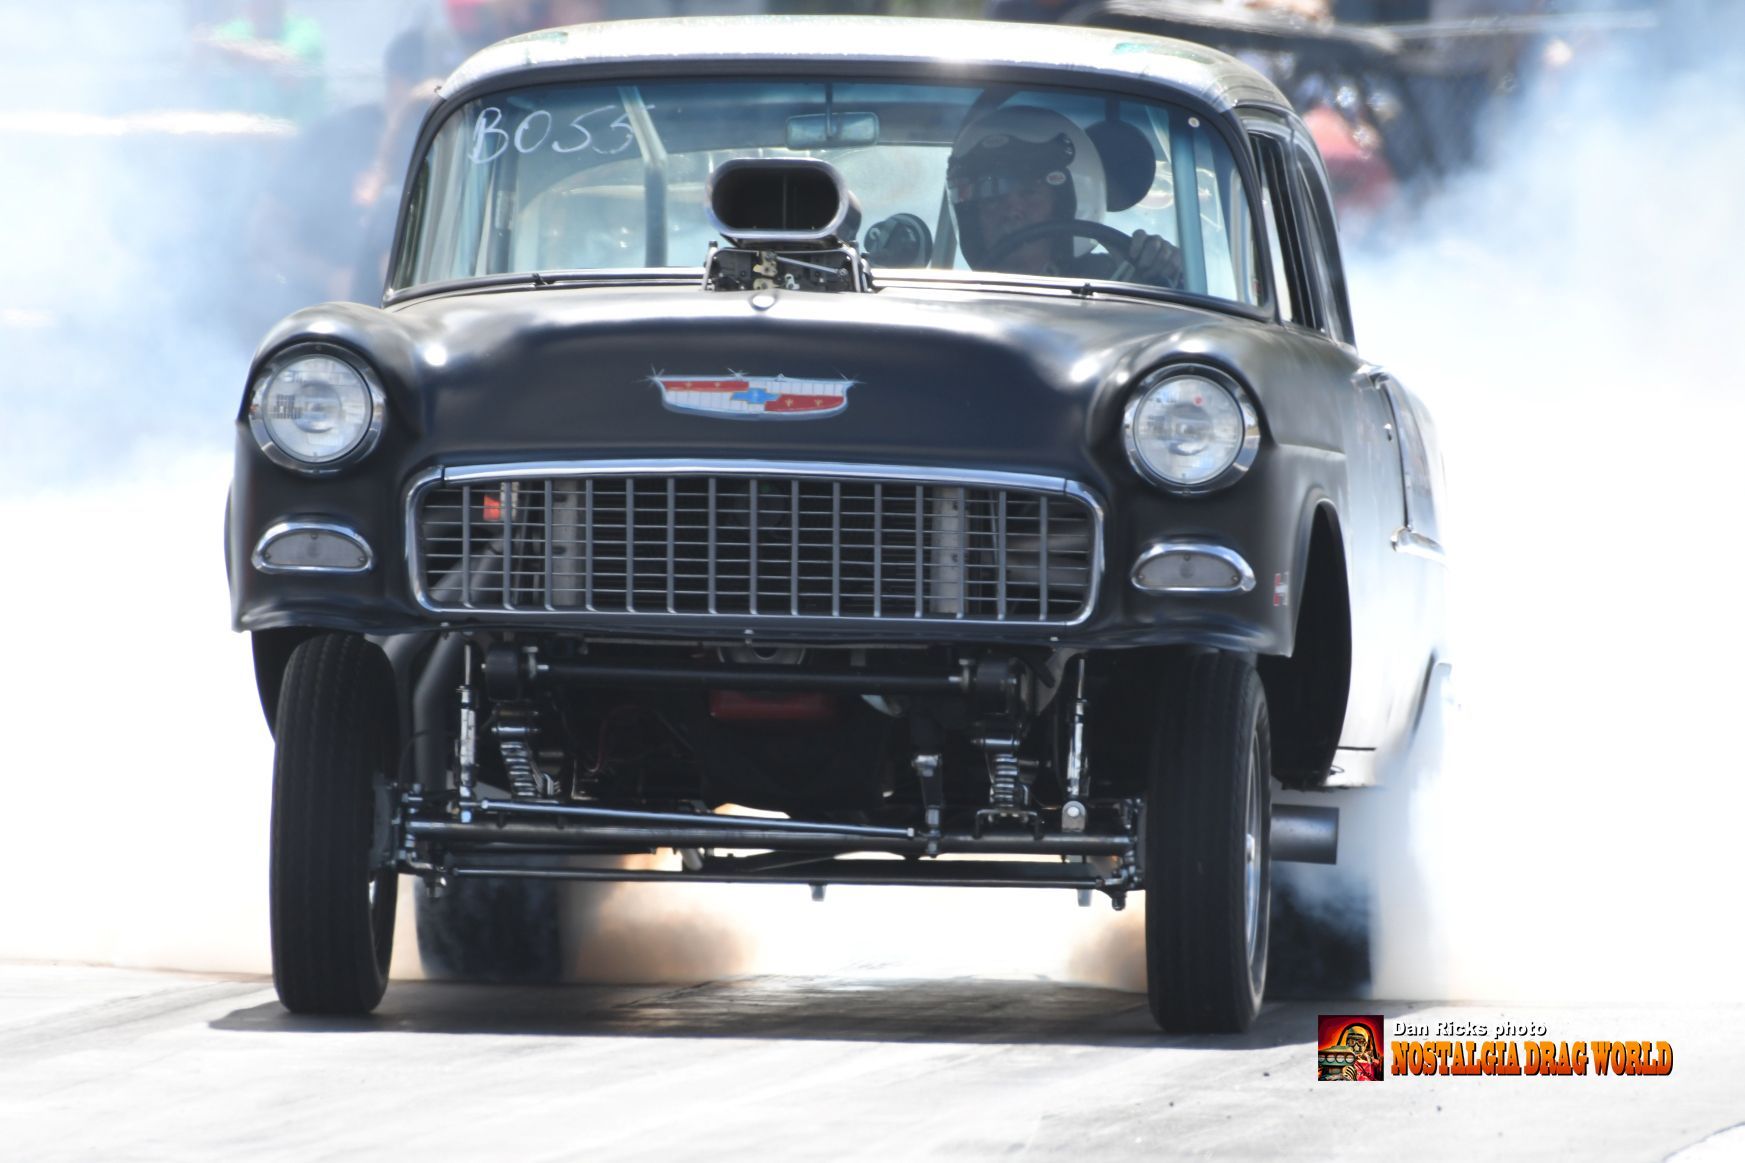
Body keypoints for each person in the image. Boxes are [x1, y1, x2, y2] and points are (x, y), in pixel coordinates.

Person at [947, 105, 1184, 287]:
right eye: (992, 199)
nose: (1012, 210)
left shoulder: (1116, 282)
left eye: (1029, 193)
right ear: (972, 217)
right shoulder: (951, 309)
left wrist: (1167, 269)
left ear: (1062, 205)